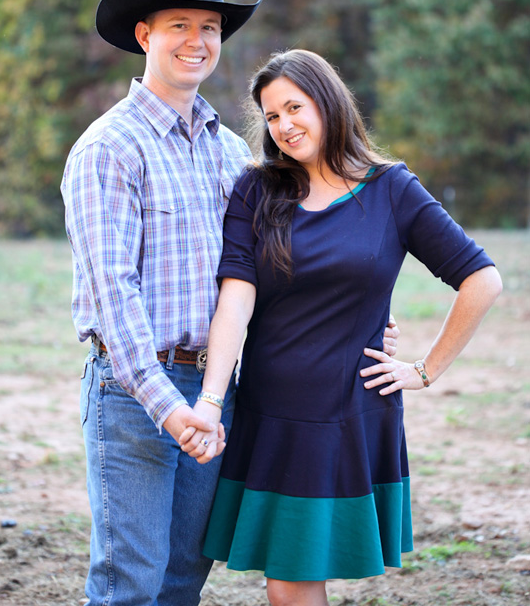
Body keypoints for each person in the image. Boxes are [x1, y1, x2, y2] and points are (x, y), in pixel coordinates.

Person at [61, 0, 399, 606]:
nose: (197, 41)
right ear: (144, 35)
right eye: (179, 26)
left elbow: (270, 268)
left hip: (216, 391)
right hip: (134, 393)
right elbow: (113, 289)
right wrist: (169, 407)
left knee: (184, 577)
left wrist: (352, 318)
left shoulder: (226, 154)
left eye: (210, 28)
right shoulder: (108, 149)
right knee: (129, 583)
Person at [180, 49, 502, 606]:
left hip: (343, 415)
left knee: (291, 583)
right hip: (269, 412)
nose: (284, 126)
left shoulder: (392, 189)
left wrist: (424, 370)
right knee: (289, 583)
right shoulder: (257, 190)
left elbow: (482, 279)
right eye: (271, 117)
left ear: (328, 103)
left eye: (294, 108)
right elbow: (235, 299)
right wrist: (211, 399)